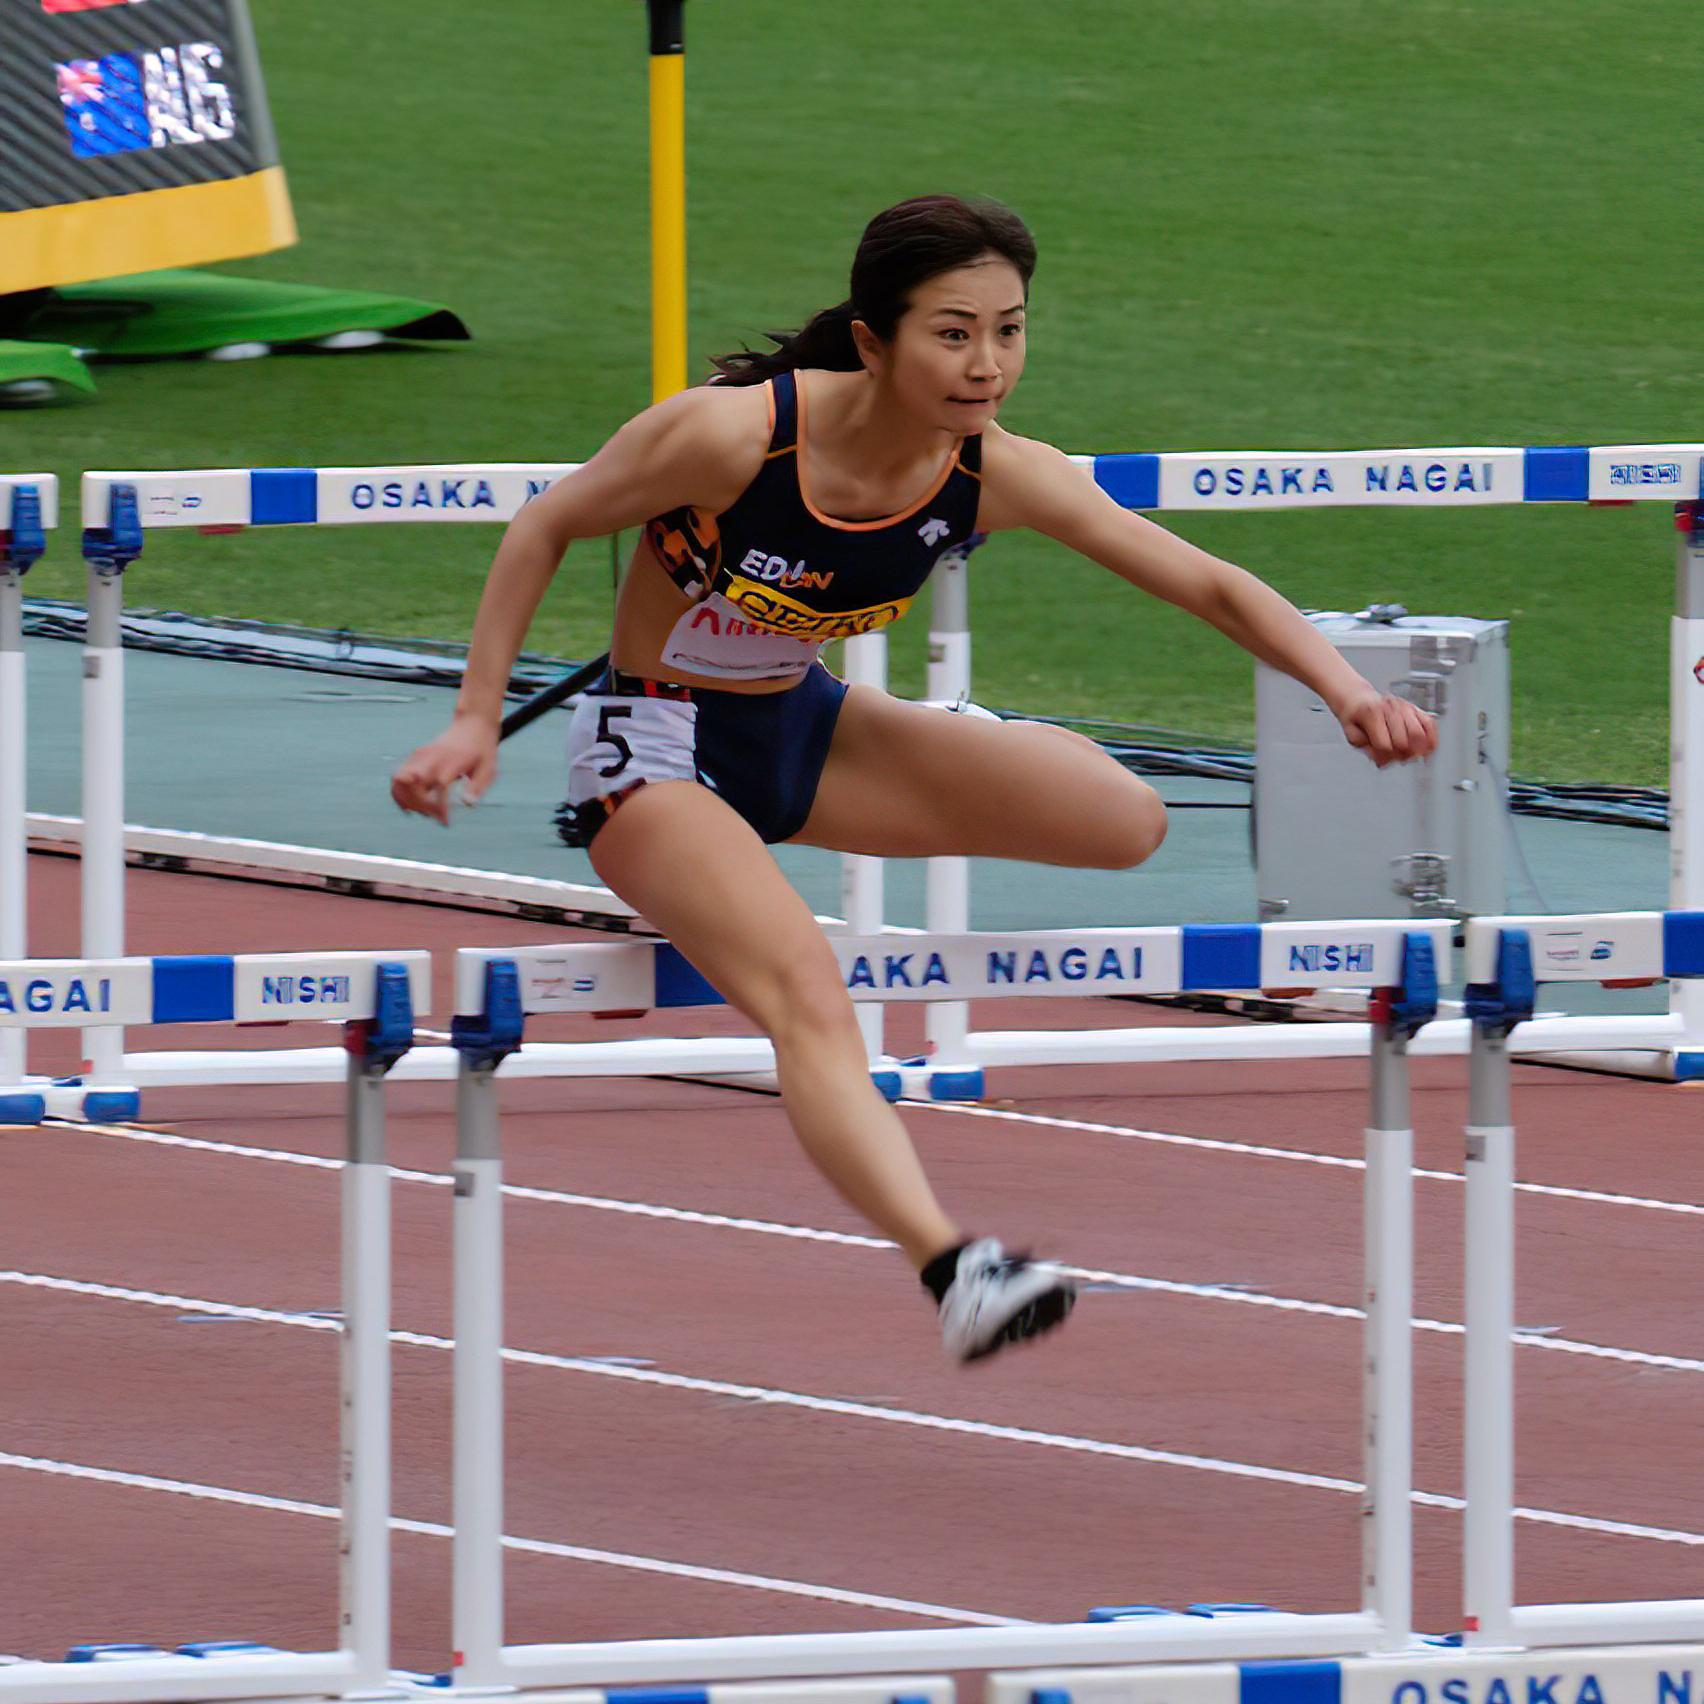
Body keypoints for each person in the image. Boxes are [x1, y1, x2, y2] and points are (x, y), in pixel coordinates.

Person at [392, 193, 1436, 1365]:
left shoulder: (996, 472)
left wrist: (1347, 692)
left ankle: (960, 738)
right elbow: (541, 528)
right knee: (808, 991)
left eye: (1010, 329)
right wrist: (475, 721)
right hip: (659, 752)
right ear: (874, 341)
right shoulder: (730, 437)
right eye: (953, 332)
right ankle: (954, 1267)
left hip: (810, 731)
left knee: (1126, 820)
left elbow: (1209, 584)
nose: (987, 364)